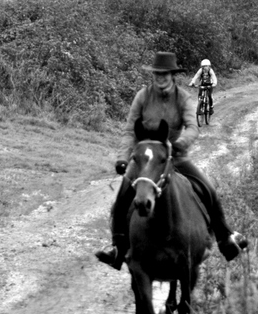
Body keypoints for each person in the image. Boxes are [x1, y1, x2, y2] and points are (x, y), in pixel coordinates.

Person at [95, 52, 247, 270]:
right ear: (153, 75)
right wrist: (122, 158)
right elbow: (130, 129)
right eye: (157, 74)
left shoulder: (183, 98)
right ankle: (118, 247)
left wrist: (179, 144)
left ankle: (225, 237)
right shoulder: (142, 96)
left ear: (172, 75)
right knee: (122, 196)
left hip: (175, 156)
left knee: (207, 188)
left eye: (165, 74)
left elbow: (193, 127)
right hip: (145, 160)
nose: (161, 78)